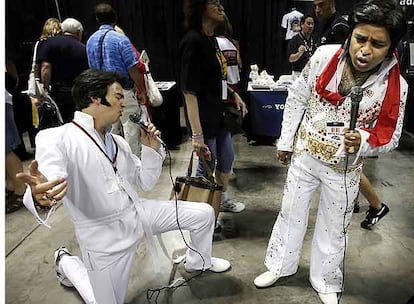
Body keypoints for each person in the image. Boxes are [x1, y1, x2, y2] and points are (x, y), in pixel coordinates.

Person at [17, 69, 231, 304]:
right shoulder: (57, 138)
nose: (124, 102)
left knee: (203, 213)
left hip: (137, 213)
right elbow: (50, 177)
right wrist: (42, 194)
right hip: (104, 237)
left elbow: (144, 181)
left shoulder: (117, 141)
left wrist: (150, 149)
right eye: (118, 96)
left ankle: (199, 260)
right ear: (94, 98)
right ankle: (66, 262)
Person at [253, 1, 407, 303]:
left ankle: (325, 279)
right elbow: (297, 97)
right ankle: (279, 265)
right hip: (305, 156)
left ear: (390, 48)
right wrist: (285, 141)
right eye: (360, 39)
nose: (365, 50)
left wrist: (363, 140)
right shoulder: (324, 57)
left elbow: (393, 136)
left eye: (377, 44)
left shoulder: (396, 86)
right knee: (290, 214)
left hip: (345, 169)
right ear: (350, 35)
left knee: (335, 226)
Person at [180, 0, 248, 214]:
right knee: (206, 167)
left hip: (219, 116)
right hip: (203, 120)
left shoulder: (212, 41)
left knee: (226, 159)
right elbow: (188, 92)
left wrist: (233, 93)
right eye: (214, 3)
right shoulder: (192, 42)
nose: (221, 8)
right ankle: (203, 215)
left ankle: (219, 201)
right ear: (201, 8)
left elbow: (216, 78)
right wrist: (197, 136)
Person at [86, 3, 146, 157]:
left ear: (97, 19)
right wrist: (141, 89)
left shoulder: (90, 41)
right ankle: (133, 165)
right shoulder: (121, 39)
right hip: (123, 91)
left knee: (110, 131)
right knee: (131, 128)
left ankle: (113, 163)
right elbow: (133, 68)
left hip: (102, 92)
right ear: (115, 18)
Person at [40, 18, 88, 123]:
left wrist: (45, 87)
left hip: (58, 90)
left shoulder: (50, 43)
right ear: (78, 32)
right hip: (78, 90)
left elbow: (46, 67)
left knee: (62, 120)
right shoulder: (83, 48)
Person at [287, 14, 316, 80]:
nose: (311, 26)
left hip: (312, 73)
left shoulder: (315, 39)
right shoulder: (295, 40)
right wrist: (299, 53)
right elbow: (290, 59)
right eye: (308, 24)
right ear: (302, 24)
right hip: (299, 74)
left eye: (312, 24)